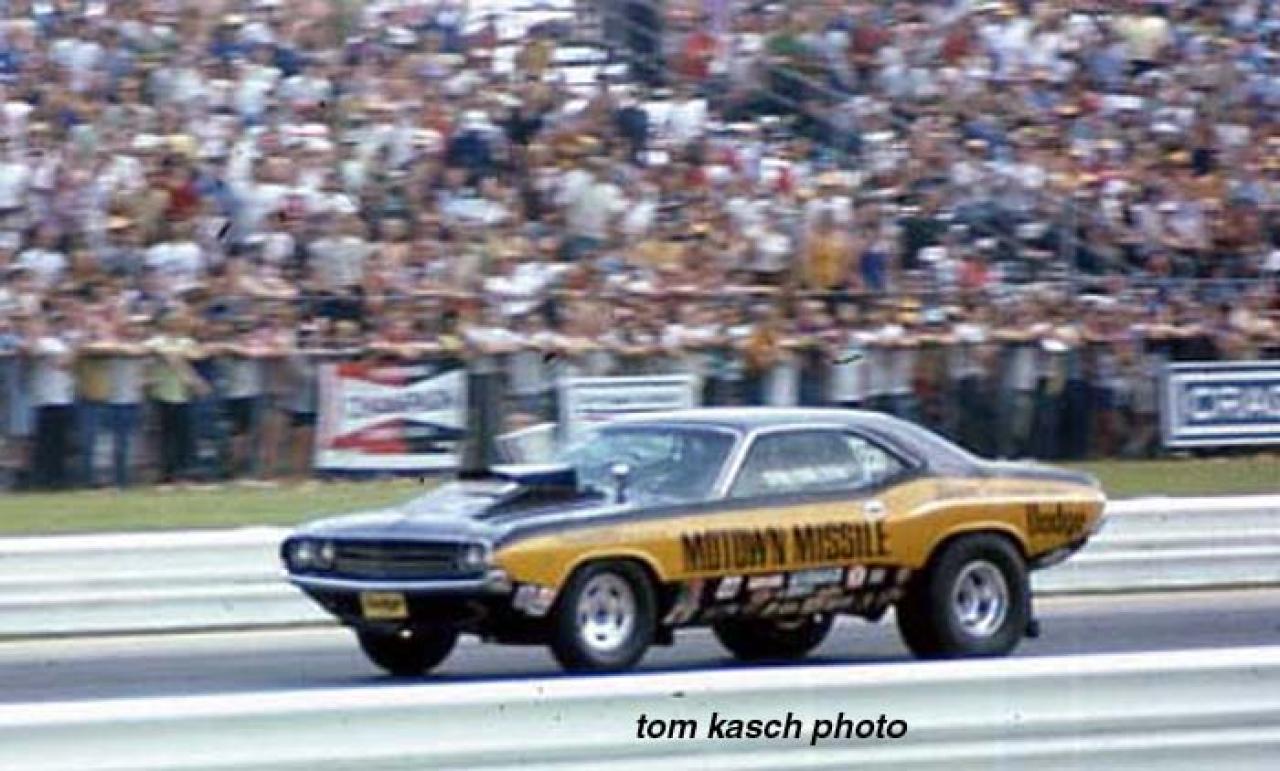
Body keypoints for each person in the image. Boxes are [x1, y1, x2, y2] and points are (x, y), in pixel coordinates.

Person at [147, 308, 208, 486]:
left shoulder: (187, 342)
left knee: (186, 435)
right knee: (165, 435)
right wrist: (192, 378)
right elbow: (158, 353)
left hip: (184, 394)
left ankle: (186, 473)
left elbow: (197, 354)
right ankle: (166, 474)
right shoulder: (155, 341)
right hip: (163, 393)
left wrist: (174, 356)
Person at [27, 312, 76, 489]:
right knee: (45, 442)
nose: (59, 326)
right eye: (55, 323)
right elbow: (59, 363)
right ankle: (43, 478)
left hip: (64, 398)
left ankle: (58, 478)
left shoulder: (63, 343)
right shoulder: (44, 343)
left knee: (60, 442)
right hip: (46, 400)